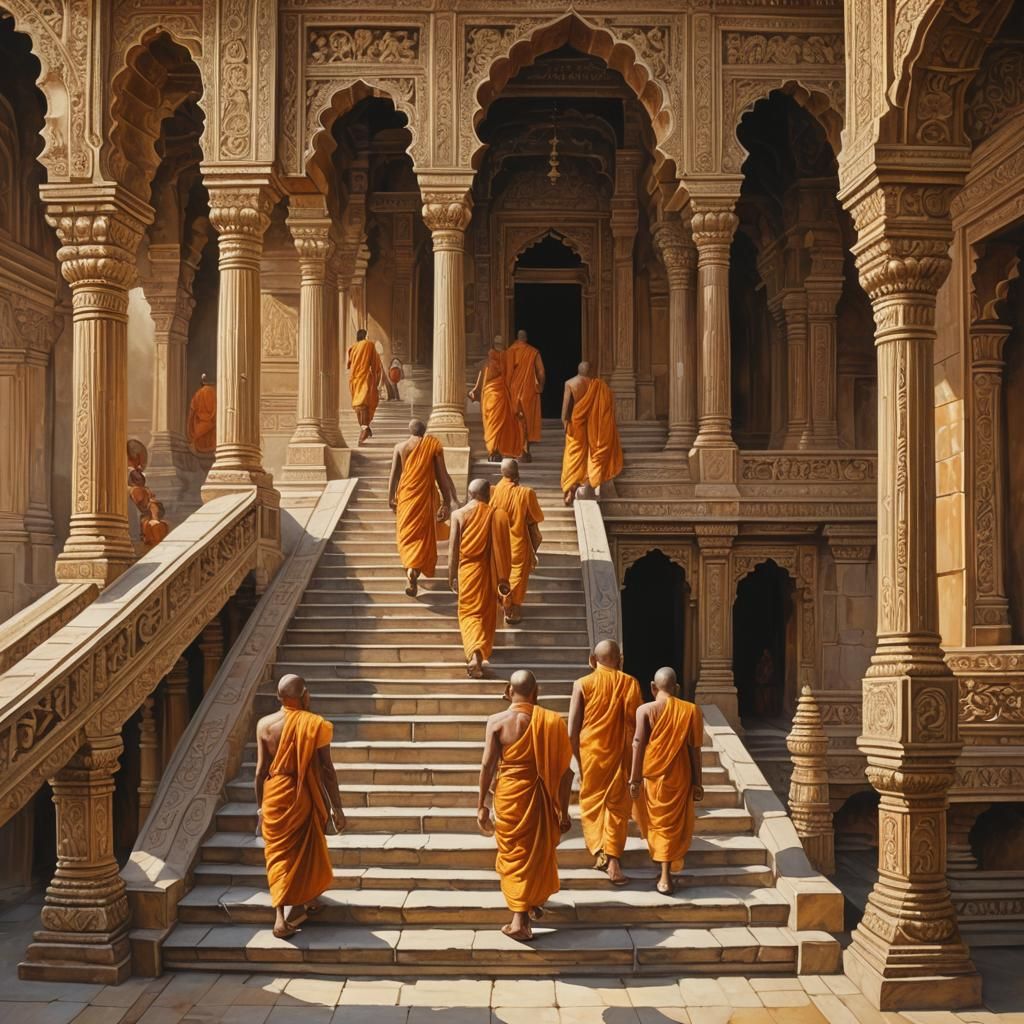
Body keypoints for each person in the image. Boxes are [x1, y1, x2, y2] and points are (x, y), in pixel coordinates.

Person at [477, 670, 573, 942]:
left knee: (515, 854)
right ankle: (526, 908)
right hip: (539, 795)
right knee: (534, 852)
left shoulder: (496, 722)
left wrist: (481, 805)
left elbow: (487, 765)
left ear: (508, 690)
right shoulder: (553, 721)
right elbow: (566, 773)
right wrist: (563, 812)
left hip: (509, 797)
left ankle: (519, 920)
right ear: (537, 691)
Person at [255, 673, 346, 939]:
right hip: (302, 793)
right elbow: (327, 770)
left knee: (280, 856)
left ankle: (296, 906)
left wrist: (261, 807)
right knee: (305, 846)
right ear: (305, 695)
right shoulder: (315, 724)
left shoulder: (264, 725)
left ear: (279, 698)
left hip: (274, 795)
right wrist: (337, 808)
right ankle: (281, 920)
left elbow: (261, 771)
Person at [568, 639, 642, 885]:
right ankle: (612, 858)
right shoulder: (630, 683)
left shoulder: (582, 684)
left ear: (592, 660)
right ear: (620, 660)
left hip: (592, 756)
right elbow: (637, 727)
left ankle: (600, 849)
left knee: (592, 804)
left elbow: (572, 731)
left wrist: (578, 760)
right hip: (621, 755)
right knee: (617, 809)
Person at [628, 667, 704, 895]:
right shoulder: (690, 710)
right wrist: (698, 781)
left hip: (653, 775)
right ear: (677, 688)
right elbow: (694, 750)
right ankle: (665, 874)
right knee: (670, 826)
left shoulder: (644, 710)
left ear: (653, 687)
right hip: (680, 775)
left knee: (660, 824)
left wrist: (634, 779)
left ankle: (664, 876)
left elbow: (638, 744)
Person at [449, 478, 512, 679]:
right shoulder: (495, 514)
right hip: (487, 573)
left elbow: (453, 551)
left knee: (469, 615)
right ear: (488, 495)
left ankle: (475, 654)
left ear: (469, 494)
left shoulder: (458, 515)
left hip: (467, 572)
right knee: (484, 615)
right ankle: (479, 652)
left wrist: (451, 576)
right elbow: (502, 549)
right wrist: (502, 578)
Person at [387, 419, 458, 597]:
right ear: (424, 431)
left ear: (410, 430)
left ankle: (410, 570)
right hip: (425, 498)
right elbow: (442, 477)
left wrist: (390, 498)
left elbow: (394, 476)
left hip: (405, 498)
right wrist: (447, 501)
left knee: (407, 536)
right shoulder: (432, 446)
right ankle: (414, 570)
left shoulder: (400, 447)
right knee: (422, 537)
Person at [560, 362, 623, 506]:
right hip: (592, 424)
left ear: (578, 370)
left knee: (574, 455)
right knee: (587, 454)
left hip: (576, 425)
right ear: (589, 371)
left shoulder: (570, 383)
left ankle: (571, 487)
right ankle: (582, 484)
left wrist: (565, 424)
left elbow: (565, 409)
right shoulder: (597, 385)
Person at [490, 458, 543, 624]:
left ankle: (505, 600)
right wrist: (534, 547)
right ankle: (513, 608)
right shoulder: (526, 493)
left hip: (499, 542)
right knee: (518, 577)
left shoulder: (494, 491)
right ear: (517, 473)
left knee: (503, 575)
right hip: (518, 542)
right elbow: (534, 521)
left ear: (501, 473)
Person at [468, 336, 523, 461]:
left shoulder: (487, 362)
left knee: (492, 424)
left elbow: (479, 383)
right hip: (499, 395)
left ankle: (493, 451)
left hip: (490, 396)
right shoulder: (507, 360)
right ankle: (496, 450)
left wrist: (474, 392)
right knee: (499, 424)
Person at [506, 329, 546, 461]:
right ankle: (525, 450)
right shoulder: (533, 352)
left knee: (515, 420)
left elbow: (506, 373)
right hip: (528, 392)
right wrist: (540, 386)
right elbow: (541, 372)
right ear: (526, 338)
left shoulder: (510, 351)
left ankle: (516, 449)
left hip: (513, 391)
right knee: (527, 421)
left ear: (517, 338)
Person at [347, 328, 384, 445]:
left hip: (354, 379)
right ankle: (365, 429)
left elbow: (348, 364)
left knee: (360, 405)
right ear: (365, 336)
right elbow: (376, 365)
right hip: (364, 379)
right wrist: (376, 379)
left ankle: (364, 429)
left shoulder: (352, 348)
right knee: (363, 405)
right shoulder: (369, 345)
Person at [187, 373, 217, 455]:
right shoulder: (215, 393)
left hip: (199, 430)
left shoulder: (198, 394)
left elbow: (192, 413)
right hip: (212, 428)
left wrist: (190, 431)